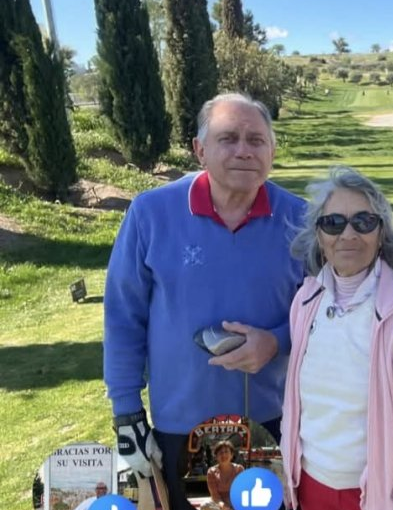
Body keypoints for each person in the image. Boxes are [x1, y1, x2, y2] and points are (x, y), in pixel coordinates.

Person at [104, 93, 307, 510]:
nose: (244, 150)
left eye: (256, 140)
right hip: (180, 424)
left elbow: (327, 314)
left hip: (273, 421)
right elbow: (124, 317)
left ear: (272, 151)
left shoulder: (302, 220)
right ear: (199, 150)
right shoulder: (150, 213)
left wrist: (277, 341)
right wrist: (127, 413)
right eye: (228, 138)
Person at [280, 166, 393, 510]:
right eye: (333, 223)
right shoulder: (305, 301)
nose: (348, 234)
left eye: (363, 222)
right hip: (307, 487)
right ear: (319, 236)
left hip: (370, 496)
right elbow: (298, 404)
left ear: (381, 233)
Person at [205, 440, 245, 510]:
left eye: (226, 452)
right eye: (220, 452)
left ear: (232, 455)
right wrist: (224, 506)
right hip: (219, 503)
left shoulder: (239, 469)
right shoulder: (211, 472)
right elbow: (215, 496)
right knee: (205, 505)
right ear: (216, 456)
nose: (223, 455)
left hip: (236, 501)